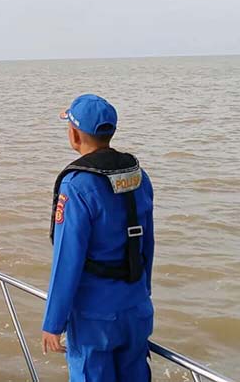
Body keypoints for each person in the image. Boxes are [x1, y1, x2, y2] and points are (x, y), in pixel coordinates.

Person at [41, 94, 155, 381]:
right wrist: (143, 291)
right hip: (137, 307)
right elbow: (147, 244)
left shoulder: (77, 185)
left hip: (96, 317)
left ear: (74, 135)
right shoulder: (138, 175)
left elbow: (68, 259)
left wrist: (53, 322)